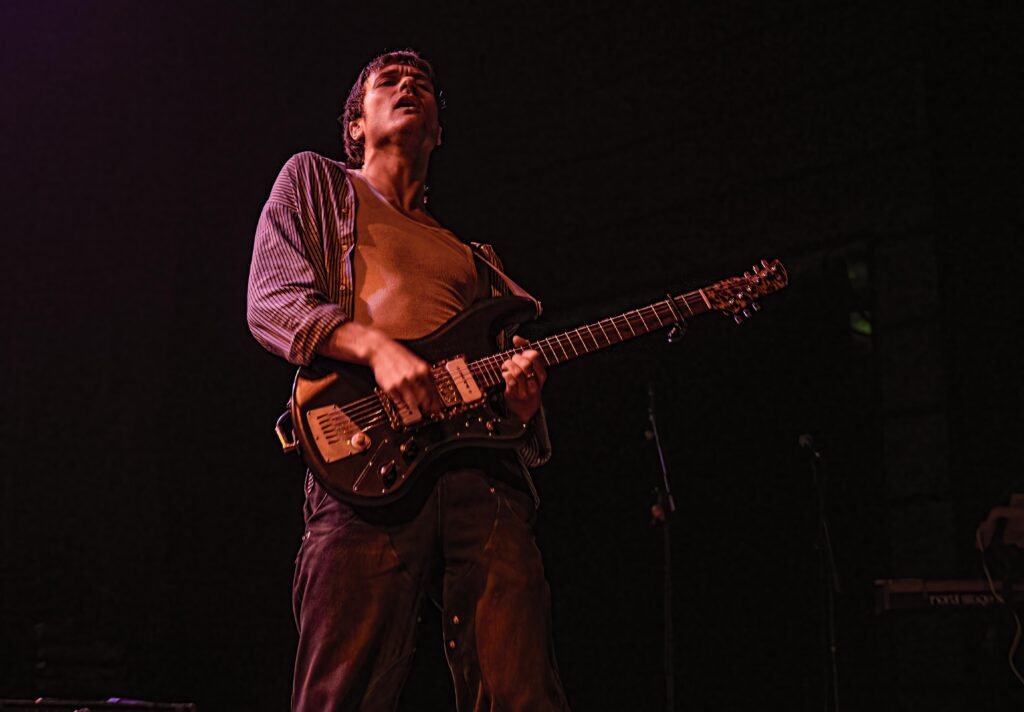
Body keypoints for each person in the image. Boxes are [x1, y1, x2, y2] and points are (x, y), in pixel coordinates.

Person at [247, 49, 571, 711]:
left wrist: (523, 401)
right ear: (356, 125)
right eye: (388, 82)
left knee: (522, 688)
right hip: (364, 456)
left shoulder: (476, 259)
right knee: (343, 690)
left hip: (480, 471)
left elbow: (516, 405)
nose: (409, 87)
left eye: (421, 84)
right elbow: (272, 299)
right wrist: (377, 349)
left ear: (439, 133)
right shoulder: (316, 183)